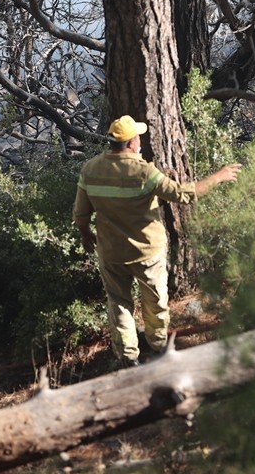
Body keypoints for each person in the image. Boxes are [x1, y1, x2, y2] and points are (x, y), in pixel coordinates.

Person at [74, 115, 241, 368]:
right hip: (147, 253)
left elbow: (80, 214)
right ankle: (159, 347)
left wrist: (87, 235)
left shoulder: (90, 170)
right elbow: (184, 195)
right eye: (138, 138)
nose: (140, 141)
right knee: (155, 303)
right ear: (131, 143)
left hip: (111, 253)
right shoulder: (144, 172)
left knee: (119, 304)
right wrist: (219, 176)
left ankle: (128, 357)